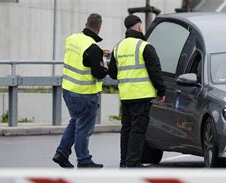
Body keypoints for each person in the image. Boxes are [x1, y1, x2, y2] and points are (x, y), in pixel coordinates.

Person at [109, 15, 166, 168]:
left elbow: (112, 73)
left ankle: (124, 161)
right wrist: (161, 91)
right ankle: (133, 163)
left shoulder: (118, 47)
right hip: (142, 95)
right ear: (139, 27)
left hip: (126, 95)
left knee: (126, 129)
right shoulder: (145, 46)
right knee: (138, 130)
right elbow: (155, 71)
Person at [53, 13, 108, 168]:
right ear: (99, 28)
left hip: (68, 90)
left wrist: (98, 53)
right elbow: (98, 72)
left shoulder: (72, 39)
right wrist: (107, 69)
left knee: (75, 122)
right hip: (85, 93)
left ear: (86, 24)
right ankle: (84, 160)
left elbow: (83, 56)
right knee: (84, 128)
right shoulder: (93, 48)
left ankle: (62, 153)